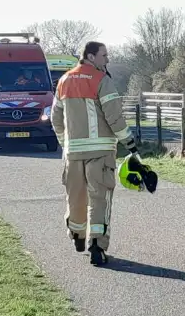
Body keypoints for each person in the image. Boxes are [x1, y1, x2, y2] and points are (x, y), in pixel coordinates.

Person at [51, 41, 140, 266]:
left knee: (76, 198)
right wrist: (129, 142)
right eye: (103, 55)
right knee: (100, 199)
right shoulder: (102, 80)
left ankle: (77, 236)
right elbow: (114, 117)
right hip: (100, 152)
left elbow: (56, 119)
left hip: (73, 153)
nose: (107, 60)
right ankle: (97, 246)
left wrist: (66, 144)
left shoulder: (63, 81)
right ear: (90, 57)